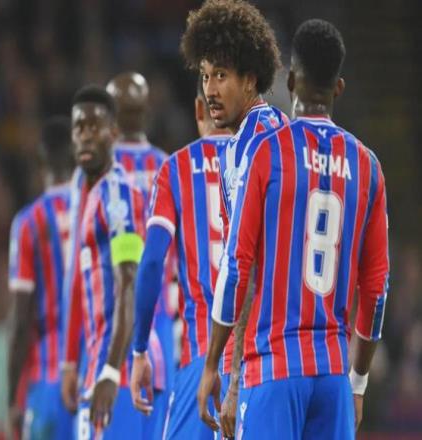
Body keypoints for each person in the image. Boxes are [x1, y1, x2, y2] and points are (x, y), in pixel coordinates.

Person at [197, 19, 389, 440]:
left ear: (290, 80)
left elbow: (237, 266)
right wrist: (357, 382)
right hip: (334, 375)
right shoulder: (368, 167)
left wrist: (214, 364)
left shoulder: (267, 152)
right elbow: (376, 290)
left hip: (274, 367)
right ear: (339, 88)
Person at [179, 0, 287, 432]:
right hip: (308, 353)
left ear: (250, 78)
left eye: (221, 75)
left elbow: (245, 266)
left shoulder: (244, 148)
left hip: (263, 355)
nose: (210, 89)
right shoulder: (284, 129)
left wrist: (231, 372)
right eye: (206, 76)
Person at [130, 75, 230, 440]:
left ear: (200, 109)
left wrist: (140, 348)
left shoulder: (176, 167)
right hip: (261, 363)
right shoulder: (266, 160)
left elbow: (151, 263)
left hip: (200, 357)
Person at [61, 85, 146, 439]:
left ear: (113, 133)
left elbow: (130, 282)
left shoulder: (117, 195)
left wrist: (111, 371)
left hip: (116, 374)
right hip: (96, 365)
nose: (85, 135)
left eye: (94, 127)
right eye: (79, 127)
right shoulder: (90, 194)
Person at [106, 72, 175, 438]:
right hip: (161, 321)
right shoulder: (169, 166)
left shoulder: (98, 170)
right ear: (146, 110)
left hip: (112, 325)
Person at [8, 116, 75, 439]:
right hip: (90, 377)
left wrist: (11, 399)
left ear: (42, 161)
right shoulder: (98, 207)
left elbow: (21, 321)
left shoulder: (28, 222)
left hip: (49, 378)